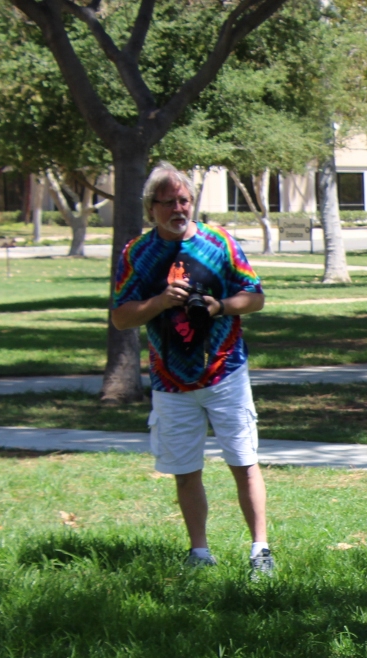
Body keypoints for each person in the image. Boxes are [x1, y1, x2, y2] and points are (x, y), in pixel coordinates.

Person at [110, 163, 273, 579]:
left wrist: (220, 306)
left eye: (184, 200)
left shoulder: (218, 242)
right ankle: (199, 552)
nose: (179, 209)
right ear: (152, 207)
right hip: (170, 380)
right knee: (185, 470)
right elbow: (122, 318)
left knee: (244, 460)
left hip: (225, 372)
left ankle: (260, 550)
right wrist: (161, 302)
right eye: (169, 202)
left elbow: (254, 297)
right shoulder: (137, 254)